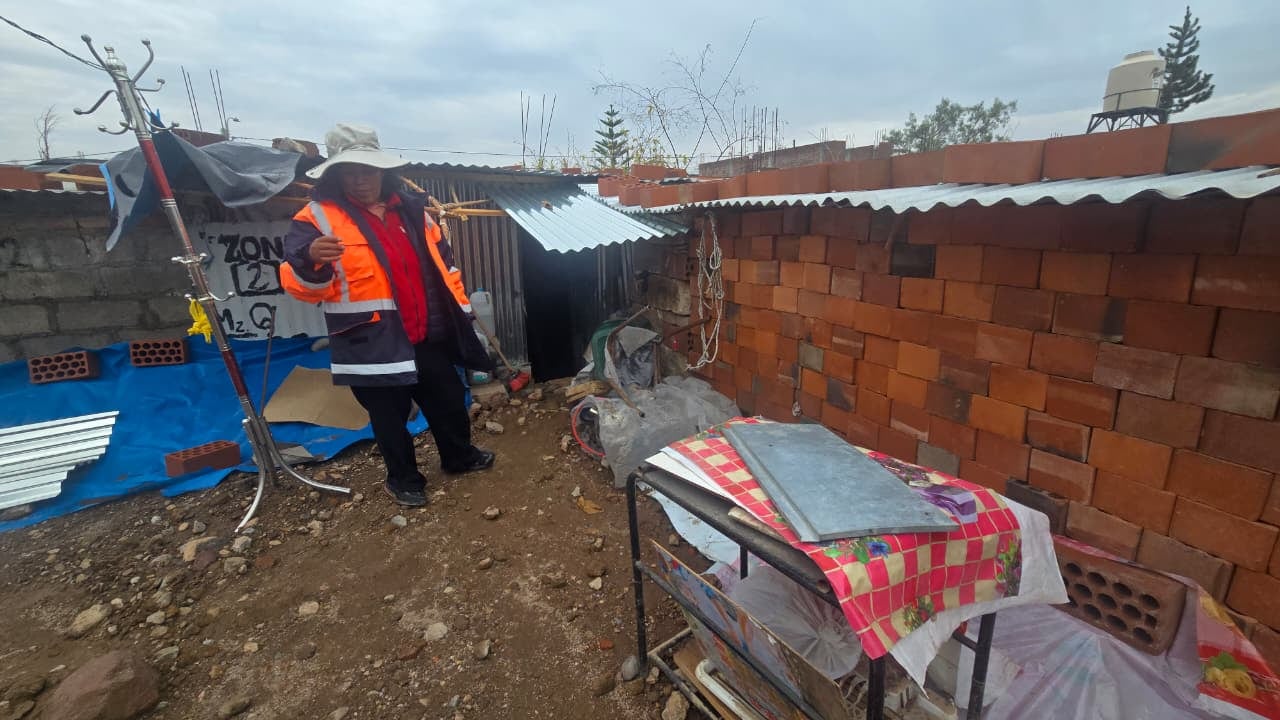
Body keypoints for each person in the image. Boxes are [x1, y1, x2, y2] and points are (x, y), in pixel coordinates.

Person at [279, 122, 495, 507]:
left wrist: (461, 315)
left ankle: (460, 457)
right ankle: (404, 480)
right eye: (351, 172)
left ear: (383, 170)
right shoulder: (316, 219)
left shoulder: (414, 212)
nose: (361, 180)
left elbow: (446, 267)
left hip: (427, 333)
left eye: (368, 170)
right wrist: (311, 261)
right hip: (369, 340)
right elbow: (301, 288)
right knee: (389, 417)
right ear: (336, 174)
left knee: (448, 399)